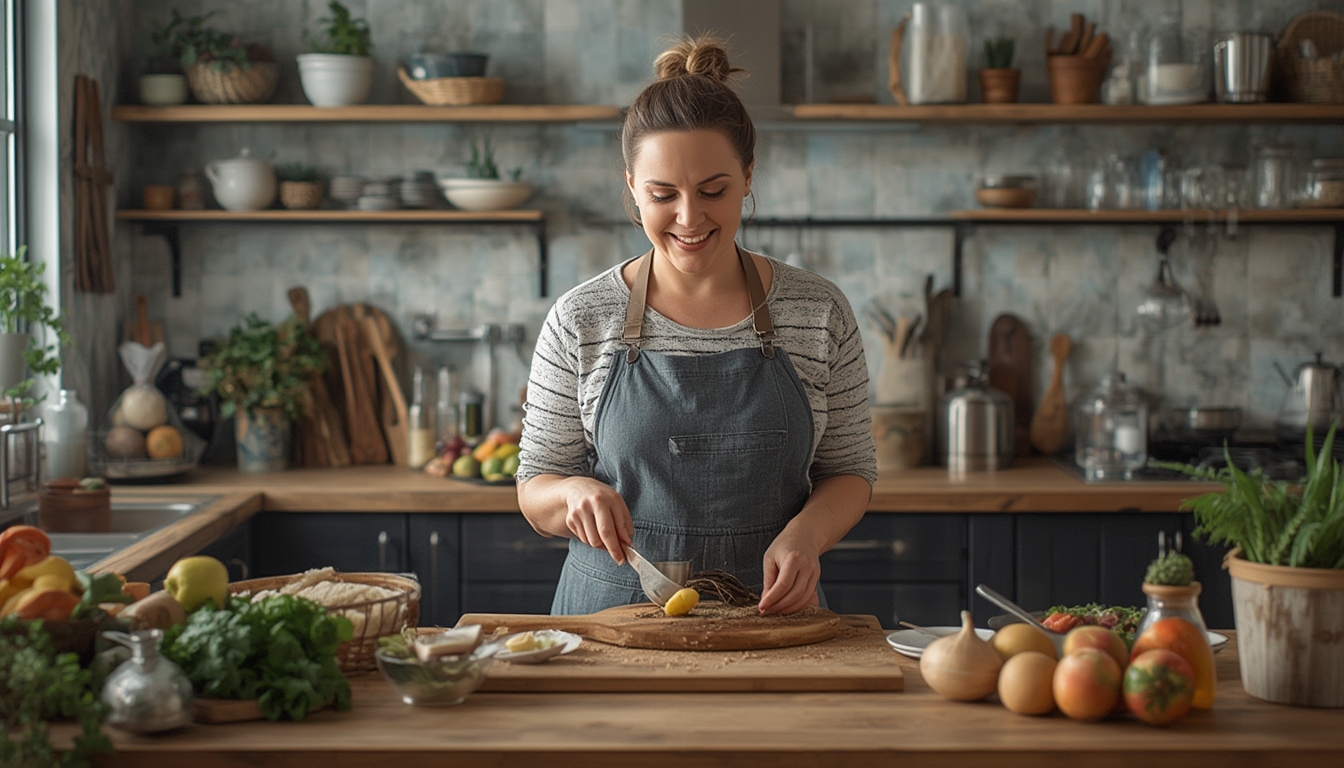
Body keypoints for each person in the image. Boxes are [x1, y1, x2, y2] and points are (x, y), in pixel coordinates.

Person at [516, 36, 876, 617]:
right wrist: (571, 492)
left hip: (771, 619)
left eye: (714, 191)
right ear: (631, 186)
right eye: (663, 195)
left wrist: (807, 535)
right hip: (610, 625)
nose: (689, 218)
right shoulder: (582, 318)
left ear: (749, 177)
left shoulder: (818, 311)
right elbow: (536, 488)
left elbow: (850, 471)